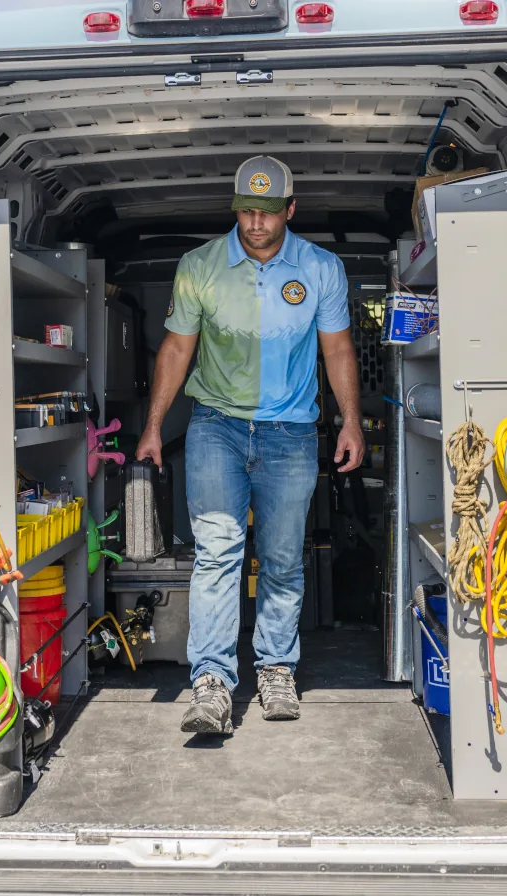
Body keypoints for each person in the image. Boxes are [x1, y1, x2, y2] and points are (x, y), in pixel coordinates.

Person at [136, 155, 365, 735]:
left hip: (291, 434)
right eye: (246, 209)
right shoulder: (201, 266)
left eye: (267, 211)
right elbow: (176, 349)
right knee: (218, 555)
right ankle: (211, 684)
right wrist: (153, 426)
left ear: (290, 209)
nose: (256, 222)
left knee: (284, 558)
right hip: (217, 427)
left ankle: (276, 669)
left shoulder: (320, 268)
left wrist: (351, 421)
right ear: (234, 207)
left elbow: (337, 350)